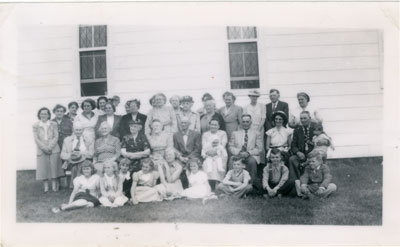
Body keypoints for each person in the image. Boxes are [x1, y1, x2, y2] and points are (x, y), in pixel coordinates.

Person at [33, 107, 64, 192]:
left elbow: (56, 136)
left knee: (54, 167)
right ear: (39, 115)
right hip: (41, 148)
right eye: (42, 113)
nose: (43, 115)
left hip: (53, 147)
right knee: (43, 168)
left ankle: (54, 186)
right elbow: (36, 139)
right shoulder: (36, 125)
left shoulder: (53, 124)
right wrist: (44, 148)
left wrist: (50, 147)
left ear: (49, 115)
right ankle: (46, 187)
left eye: (45, 114)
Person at [228, 114, 263, 184]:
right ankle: (232, 183)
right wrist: (239, 152)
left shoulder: (256, 133)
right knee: (232, 159)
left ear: (251, 122)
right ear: (241, 122)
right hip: (238, 154)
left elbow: (259, 148)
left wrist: (249, 153)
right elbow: (230, 146)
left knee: (252, 161)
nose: (245, 124)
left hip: (250, 155)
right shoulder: (235, 133)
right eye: (243, 122)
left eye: (247, 122)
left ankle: (251, 185)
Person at [60, 122, 95, 188]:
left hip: (84, 160)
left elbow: (91, 154)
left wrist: (81, 155)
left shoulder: (89, 140)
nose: (78, 132)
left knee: (78, 166)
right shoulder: (67, 140)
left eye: (80, 130)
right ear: (73, 130)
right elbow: (62, 155)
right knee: (77, 166)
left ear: (83, 130)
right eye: (76, 130)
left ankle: (75, 186)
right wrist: (73, 155)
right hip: (71, 161)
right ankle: (81, 186)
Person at [288, 111, 316, 180]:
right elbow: (293, 145)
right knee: (292, 159)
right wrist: (298, 152)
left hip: (313, 154)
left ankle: (314, 181)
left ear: (309, 118)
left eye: (305, 118)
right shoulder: (297, 130)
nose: (303, 120)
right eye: (301, 118)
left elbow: (325, 139)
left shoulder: (315, 128)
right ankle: (295, 181)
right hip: (301, 155)